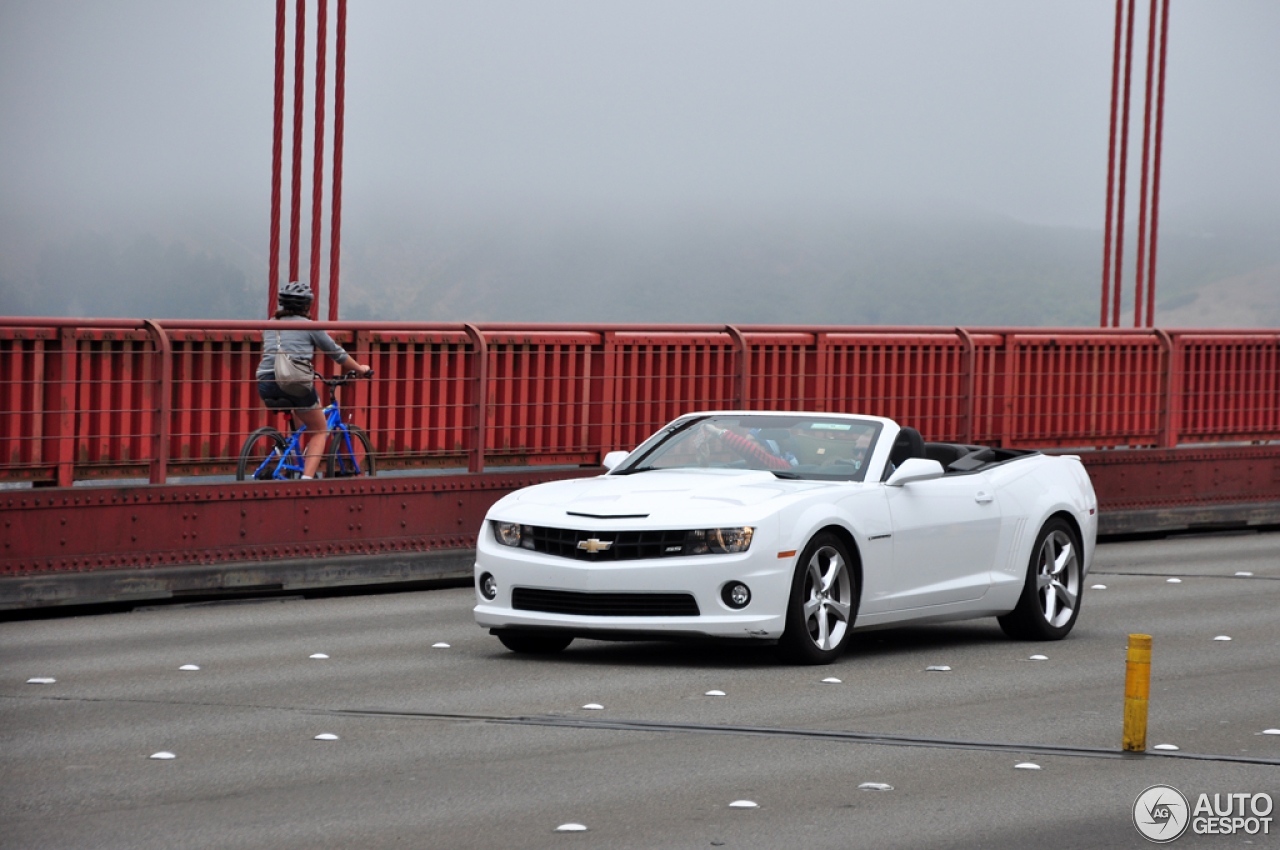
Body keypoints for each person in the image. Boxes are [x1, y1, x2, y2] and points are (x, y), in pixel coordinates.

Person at [255, 280, 371, 479]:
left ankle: (291, 459)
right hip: (293, 382)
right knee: (319, 430)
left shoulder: (270, 325)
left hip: (265, 383)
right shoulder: (310, 326)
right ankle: (306, 481)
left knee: (300, 422)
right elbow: (336, 353)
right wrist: (360, 368)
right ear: (307, 306)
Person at [699, 421, 796, 471]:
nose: (747, 443)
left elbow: (751, 452)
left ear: (767, 447)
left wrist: (718, 432)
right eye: (746, 440)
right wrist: (704, 462)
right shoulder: (745, 466)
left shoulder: (784, 466)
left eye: (751, 441)